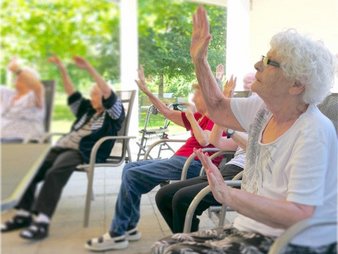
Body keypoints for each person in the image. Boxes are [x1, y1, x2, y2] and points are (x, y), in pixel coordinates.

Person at [152, 6, 337, 254]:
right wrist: (199, 59)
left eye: (269, 62)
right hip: (252, 230)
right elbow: (216, 108)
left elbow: (299, 215)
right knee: (163, 246)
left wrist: (228, 195)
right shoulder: (264, 109)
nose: (257, 65)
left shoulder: (313, 131)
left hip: (293, 242)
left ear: (296, 84)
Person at [85, 66, 222, 251]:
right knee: (130, 168)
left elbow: (204, 140)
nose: (193, 98)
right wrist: (147, 91)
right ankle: (130, 226)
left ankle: (118, 233)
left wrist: (191, 117)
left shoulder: (215, 118)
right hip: (180, 160)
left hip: (194, 164)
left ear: (206, 97)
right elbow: (166, 111)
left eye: (196, 94)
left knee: (133, 175)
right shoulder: (198, 116)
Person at [1, 55, 125, 241]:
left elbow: (106, 89)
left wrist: (89, 67)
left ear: (105, 96)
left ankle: (42, 221)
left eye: (94, 94)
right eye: (90, 94)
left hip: (82, 151)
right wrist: (62, 69)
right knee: (29, 170)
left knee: (55, 172)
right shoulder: (87, 109)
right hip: (62, 147)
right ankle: (25, 215)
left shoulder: (113, 114)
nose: (91, 98)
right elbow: (71, 92)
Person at [155, 75, 249, 234]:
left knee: (182, 199)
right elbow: (216, 141)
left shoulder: (272, 122)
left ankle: (186, 245)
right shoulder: (250, 120)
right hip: (227, 169)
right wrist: (224, 106)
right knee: (164, 195)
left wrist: (231, 129)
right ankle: (184, 240)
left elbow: (258, 148)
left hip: (242, 174)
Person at [1, 58, 45, 142]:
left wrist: (18, 70)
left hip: (23, 140)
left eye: (21, 76)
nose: (17, 77)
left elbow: (38, 86)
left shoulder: (33, 96)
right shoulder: (8, 93)